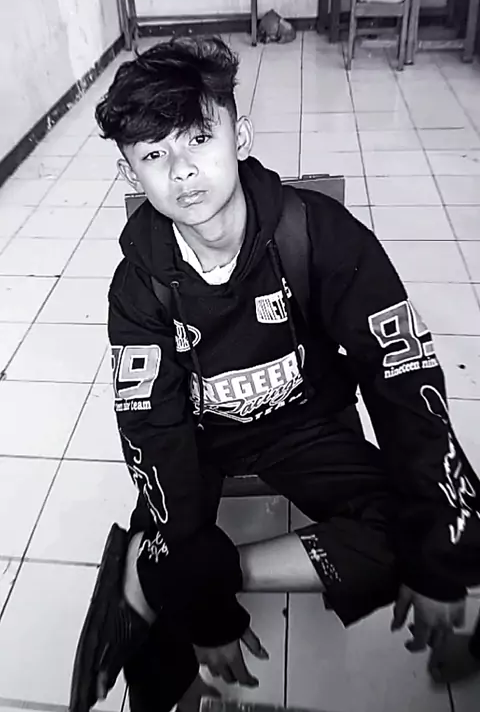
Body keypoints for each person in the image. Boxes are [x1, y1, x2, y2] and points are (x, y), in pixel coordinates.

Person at [70, 36, 480, 712]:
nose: (183, 171)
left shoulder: (317, 232)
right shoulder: (138, 286)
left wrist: (438, 558)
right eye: (154, 155)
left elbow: (403, 379)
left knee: (437, 527)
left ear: (240, 136)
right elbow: (153, 434)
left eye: (199, 138)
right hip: (200, 439)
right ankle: (169, 640)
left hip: (303, 424)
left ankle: (168, 573)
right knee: (174, 568)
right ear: (130, 173)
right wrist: (198, 595)